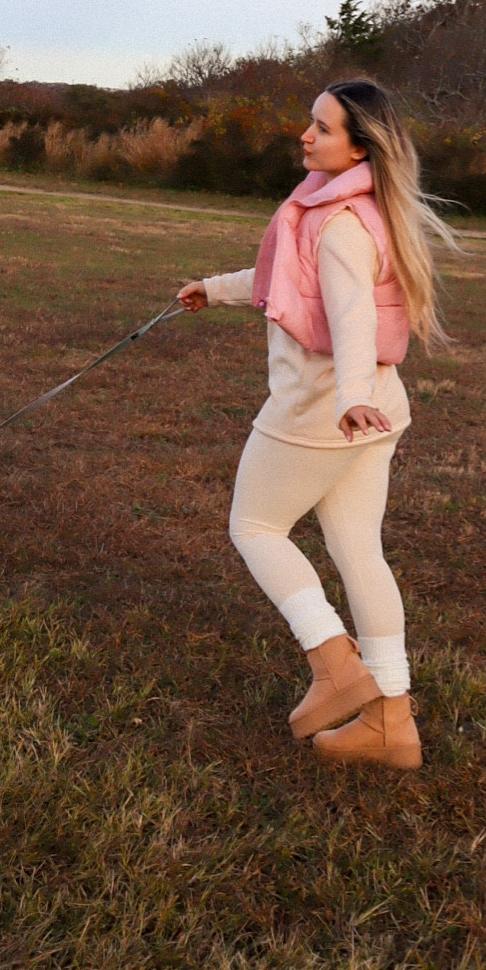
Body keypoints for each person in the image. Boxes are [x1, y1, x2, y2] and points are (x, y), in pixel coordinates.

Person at [177, 79, 454, 770]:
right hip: (376, 410)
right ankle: (392, 723)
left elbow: (353, 317)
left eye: (322, 128)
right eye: (311, 123)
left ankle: (335, 666)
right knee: (359, 549)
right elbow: (287, 283)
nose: (306, 135)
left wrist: (347, 395)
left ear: (359, 147)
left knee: (255, 527)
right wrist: (214, 289)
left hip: (327, 408)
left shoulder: (338, 225)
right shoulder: (357, 209)